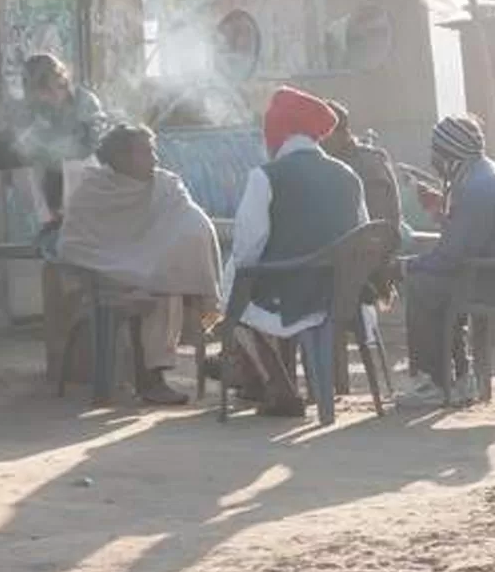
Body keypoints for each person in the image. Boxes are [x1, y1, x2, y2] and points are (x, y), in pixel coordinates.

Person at [218, 86, 369, 416]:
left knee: (232, 289)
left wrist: (245, 279)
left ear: (277, 133)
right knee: (250, 285)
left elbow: (248, 248)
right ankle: (283, 383)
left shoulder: (264, 176)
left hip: (290, 297)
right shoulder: (349, 176)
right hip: (340, 296)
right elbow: (363, 236)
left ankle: (279, 384)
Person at [57, 124, 222, 406]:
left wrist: (153, 268)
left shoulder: (165, 186)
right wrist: (128, 272)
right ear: (120, 158)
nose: (155, 158)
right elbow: (74, 245)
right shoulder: (92, 191)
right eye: (146, 152)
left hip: (153, 273)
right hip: (108, 280)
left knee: (164, 290)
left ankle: (154, 379)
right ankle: (150, 382)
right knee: (151, 292)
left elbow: (195, 223)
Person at [397, 115, 495, 408]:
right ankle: (459, 377)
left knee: (422, 284)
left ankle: (434, 382)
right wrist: (442, 214)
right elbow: (472, 238)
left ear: (449, 153)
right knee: (441, 281)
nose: (433, 159)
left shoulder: (477, 186)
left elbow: (453, 255)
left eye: (437, 152)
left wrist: (408, 266)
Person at [0, 54, 109, 234]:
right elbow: (19, 142)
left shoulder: (84, 101)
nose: (46, 97)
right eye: (39, 92)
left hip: (82, 170)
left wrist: (54, 145)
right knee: (31, 170)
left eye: (49, 89)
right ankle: (51, 223)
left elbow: (89, 144)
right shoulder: (36, 106)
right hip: (49, 176)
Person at [321, 99, 404, 302]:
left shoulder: (352, 165)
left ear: (336, 132)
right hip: (373, 255)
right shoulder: (373, 158)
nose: (318, 142)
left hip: (363, 261)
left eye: (322, 135)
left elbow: (377, 221)